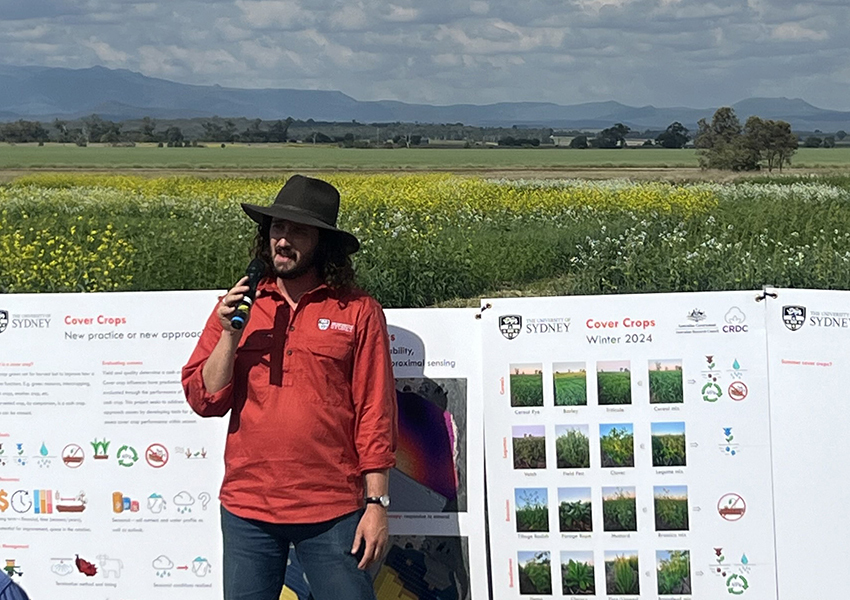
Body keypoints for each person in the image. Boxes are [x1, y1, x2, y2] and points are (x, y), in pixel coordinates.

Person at [182, 175, 397, 600]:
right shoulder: (238, 305)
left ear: (323, 242)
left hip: (333, 508)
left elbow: (376, 413)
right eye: (277, 228)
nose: (283, 240)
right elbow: (205, 399)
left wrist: (377, 505)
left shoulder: (358, 310)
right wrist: (229, 334)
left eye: (298, 230)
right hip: (249, 508)